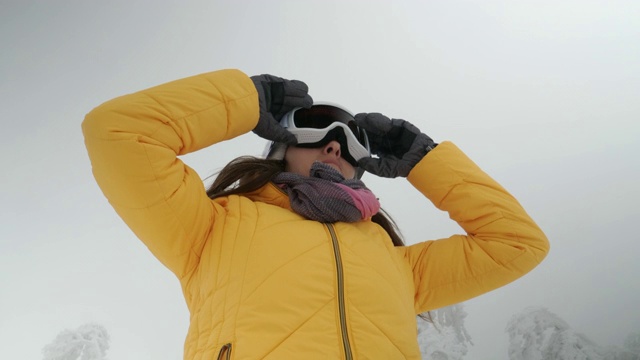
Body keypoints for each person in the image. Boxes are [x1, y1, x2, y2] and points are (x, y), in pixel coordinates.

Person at [82, 69, 549, 360]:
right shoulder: (213, 226)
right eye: (318, 129)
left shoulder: (397, 263)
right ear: (279, 144)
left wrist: (425, 159)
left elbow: (517, 243)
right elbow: (118, 132)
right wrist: (245, 101)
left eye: (351, 141)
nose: (335, 144)